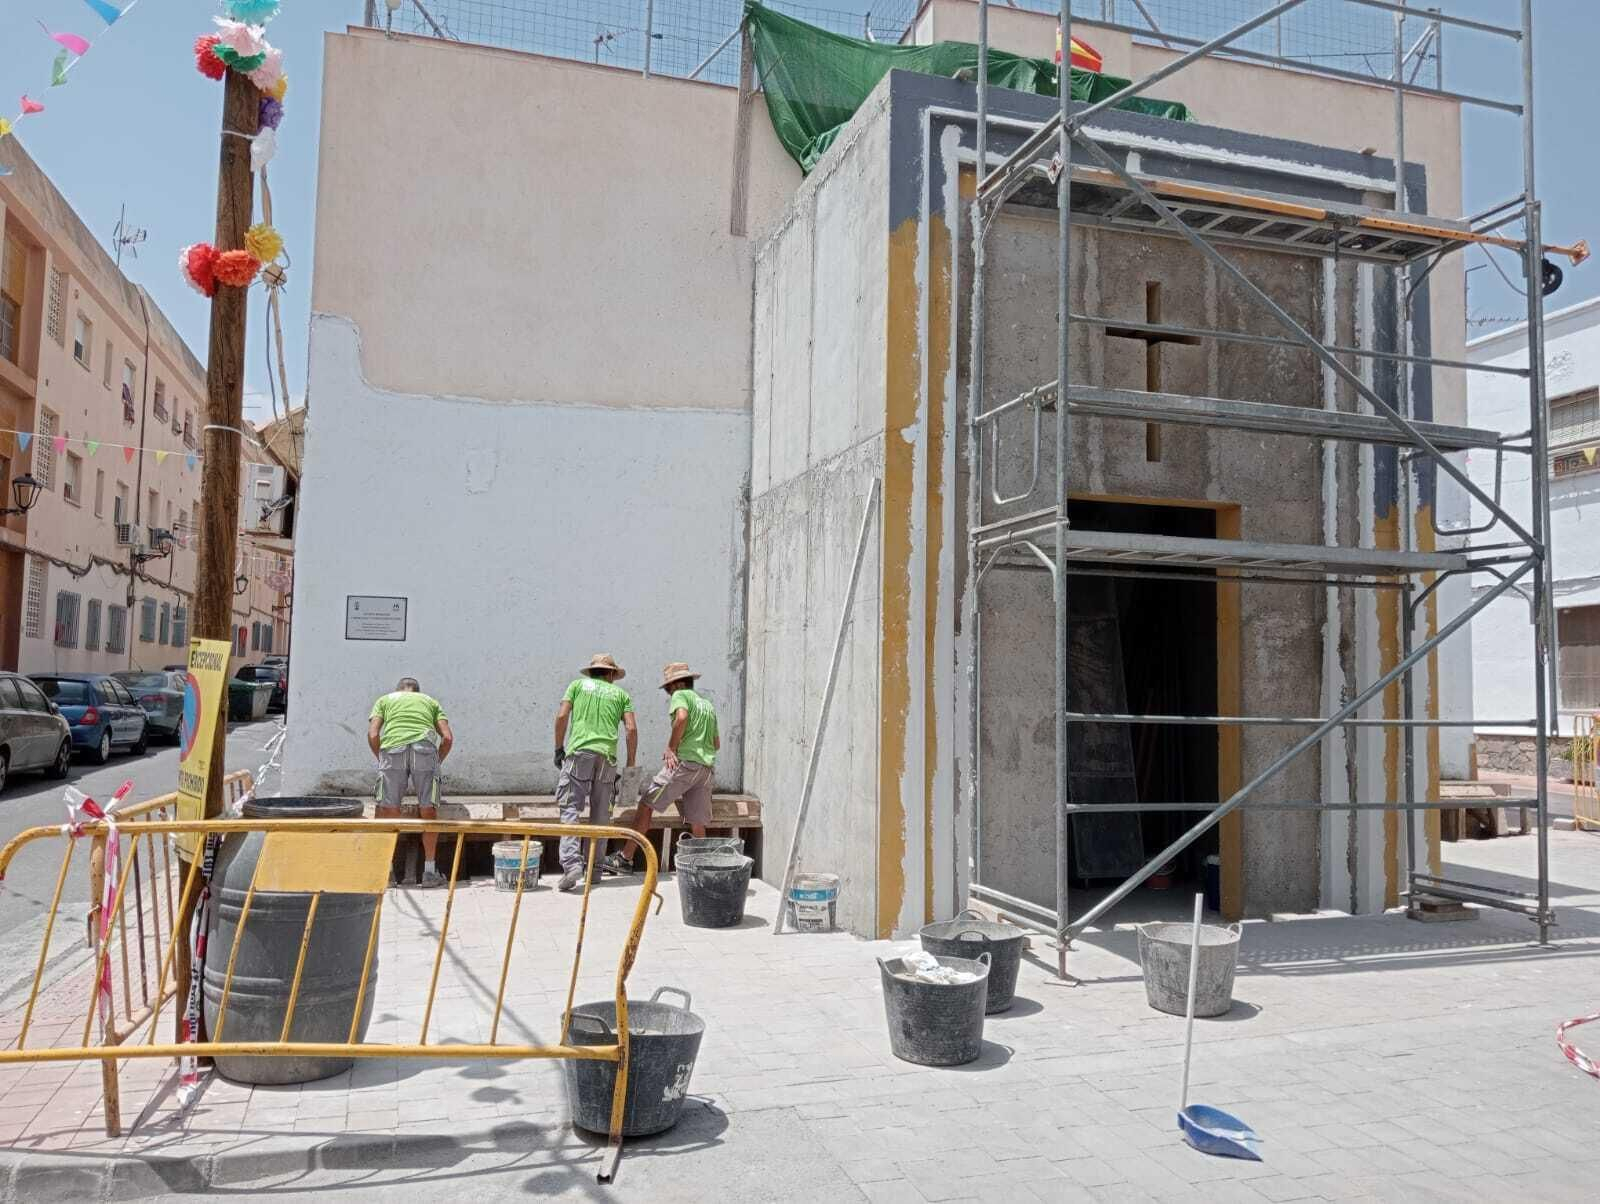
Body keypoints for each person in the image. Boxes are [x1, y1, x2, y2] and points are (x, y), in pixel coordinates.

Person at [606, 662, 718, 875]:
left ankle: (625, 858)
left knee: (647, 802)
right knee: (697, 822)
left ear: (674, 685)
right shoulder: (707, 705)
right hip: (705, 770)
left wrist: (671, 747)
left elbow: (682, 717)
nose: (668, 692)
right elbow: (717, 743)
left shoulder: (680, 695)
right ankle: (700, 868)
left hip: (684, 764)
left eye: (668, 687)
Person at [554, 653, 637, 892]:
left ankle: (571, 865)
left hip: (579, 753)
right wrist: (630, 764)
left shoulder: (577, 686)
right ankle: (595, 871)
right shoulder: (621, 695)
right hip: (607, 758)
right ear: (611, 674)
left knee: (570, 808)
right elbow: (631, 729)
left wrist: (559, 748)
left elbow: (561, 716)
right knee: (601, 814)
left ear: (592, 671)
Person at [369, 677, 454, 888]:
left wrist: (381, 758)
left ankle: (387, 874)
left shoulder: (385, 700)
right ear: (417, 692)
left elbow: (373, 733)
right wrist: (437, 761)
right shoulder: (430, 702)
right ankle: (429, 872)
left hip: (392, 749)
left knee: (388, 810)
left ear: (398, 690)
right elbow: (447, 738)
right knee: (428, 810)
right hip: (424, 749)